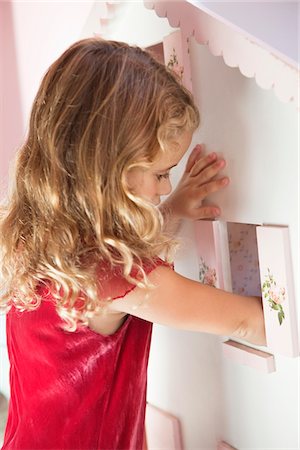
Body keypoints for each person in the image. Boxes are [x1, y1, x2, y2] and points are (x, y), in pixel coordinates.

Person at [0, 38, 266, 450]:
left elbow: (111, 253)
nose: (164, 189)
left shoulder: (43, 241)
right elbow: (246, 320)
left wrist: (172, 210)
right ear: (107, 172)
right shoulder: (117, 276)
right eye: (161, 174)